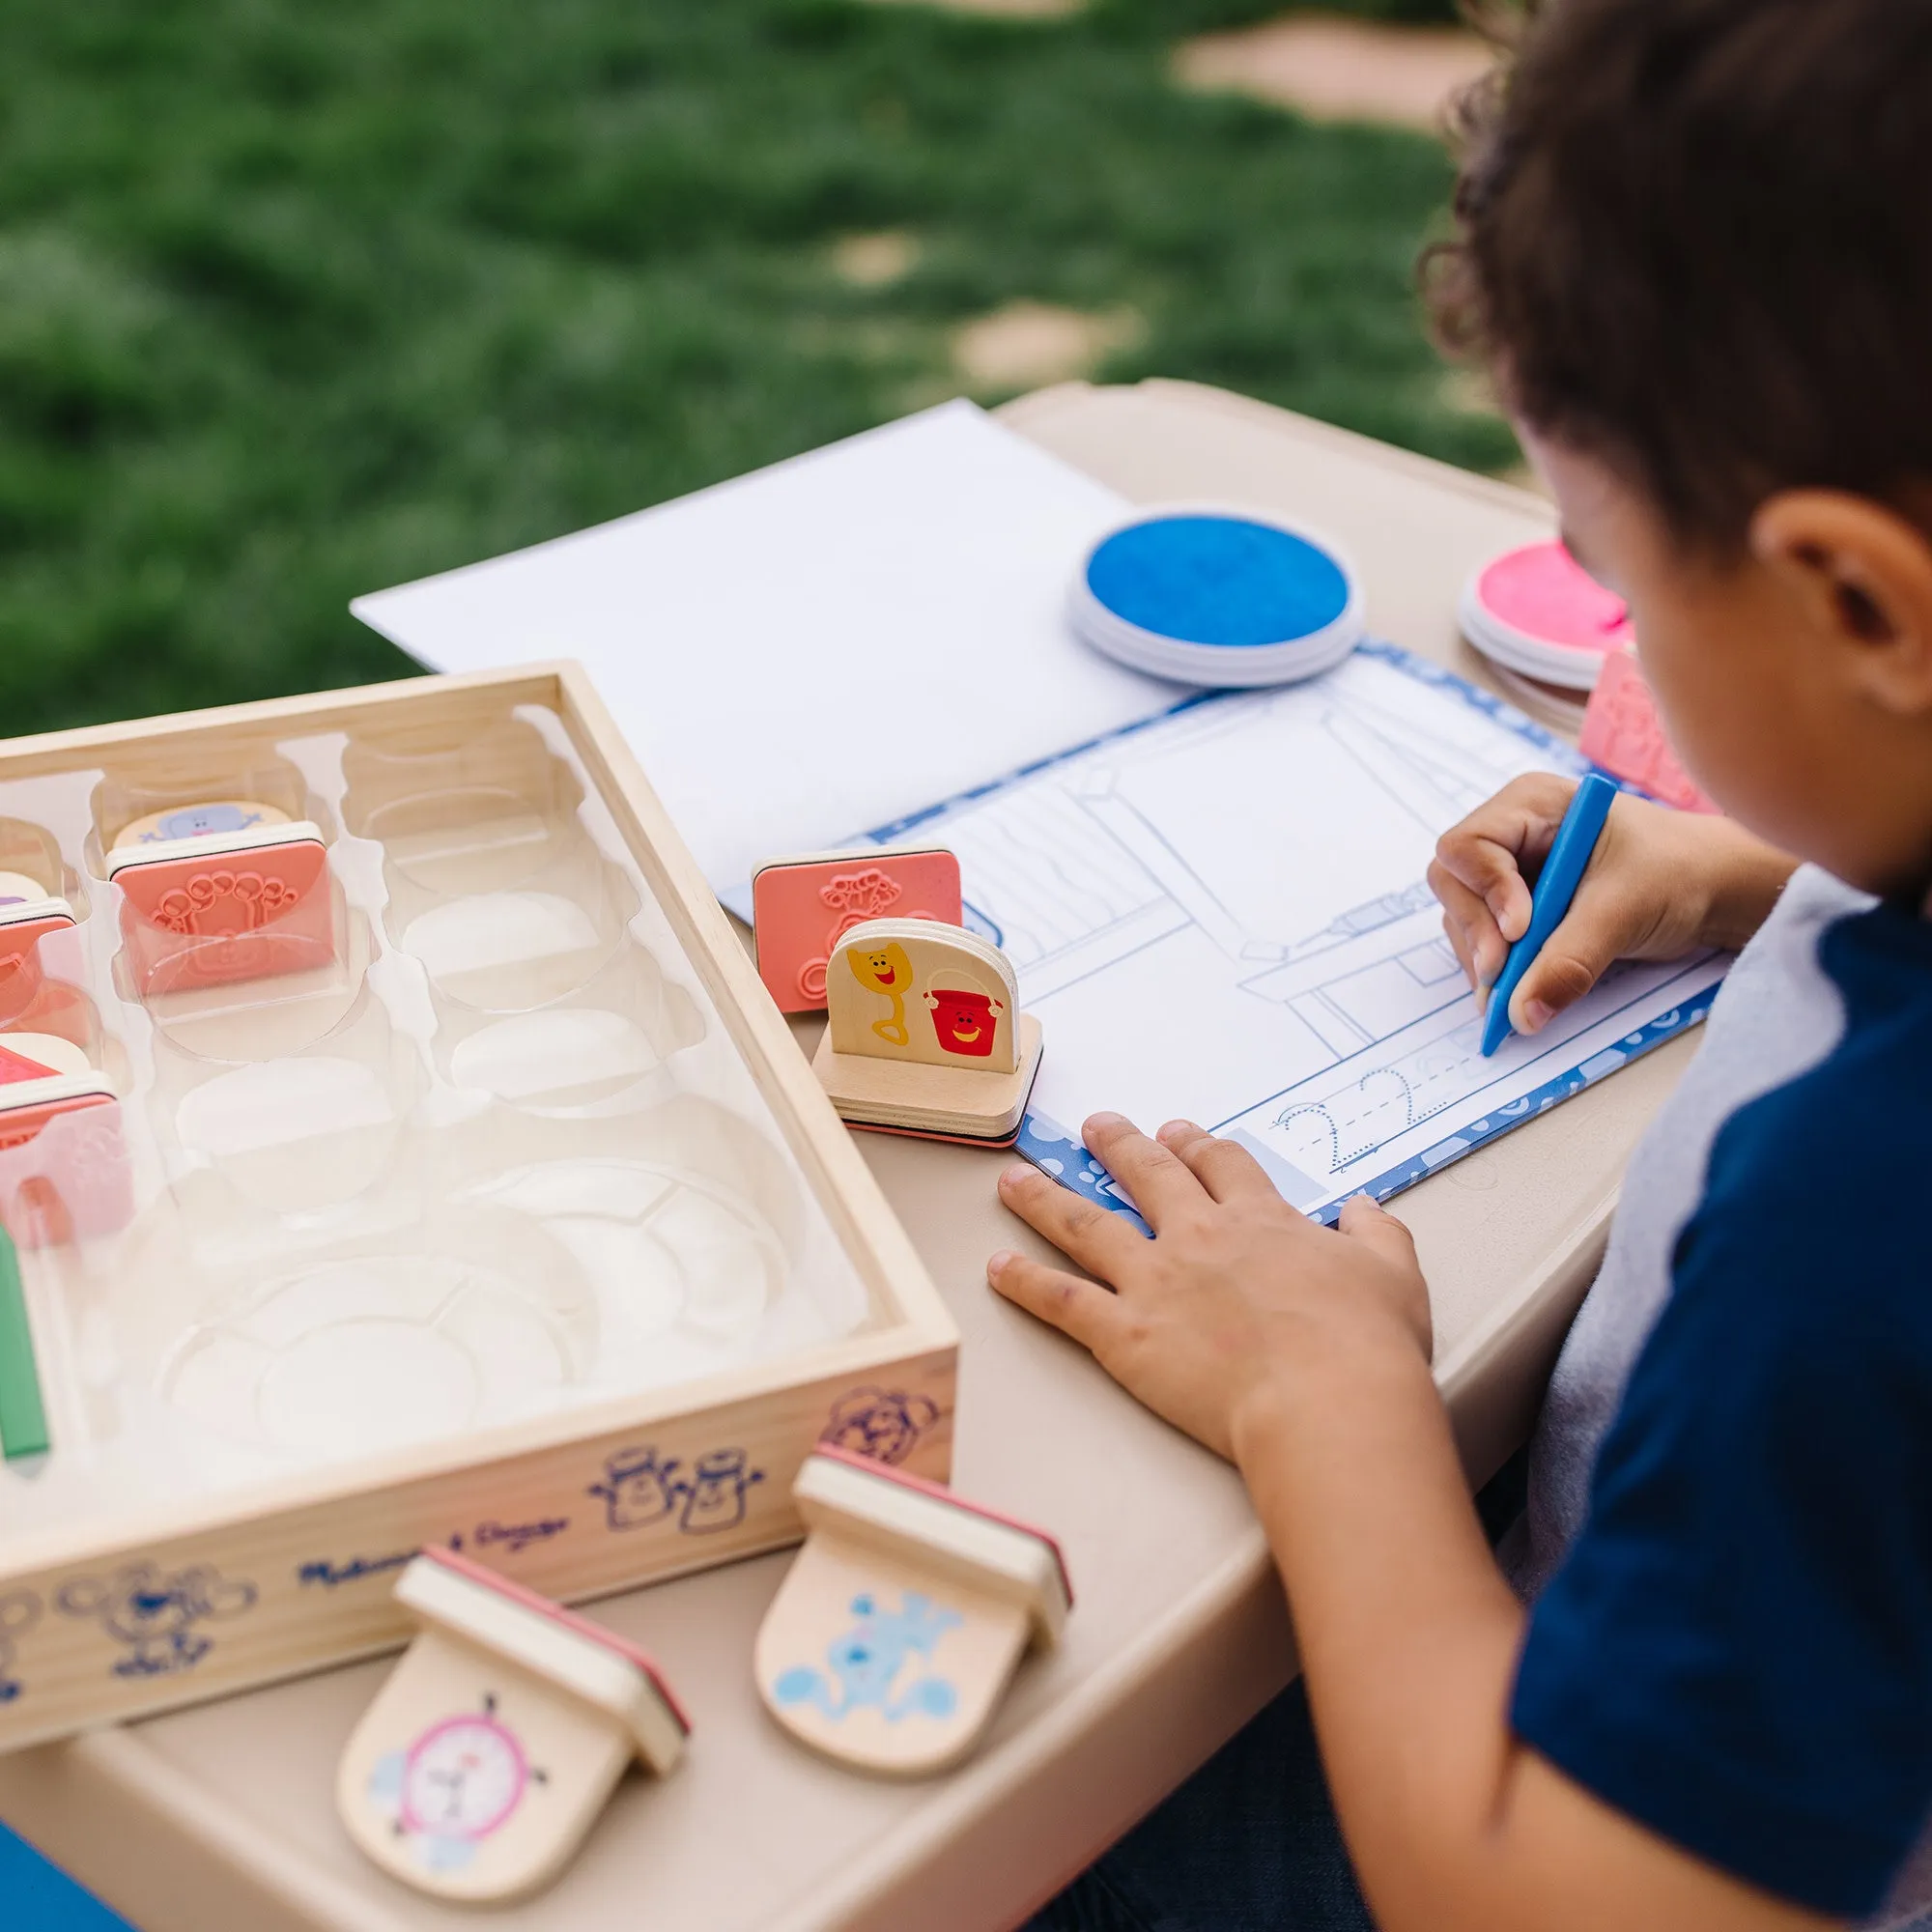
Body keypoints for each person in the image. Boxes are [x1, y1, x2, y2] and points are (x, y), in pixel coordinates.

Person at [996, 1, 1932, 1926]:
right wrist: (1765, 874)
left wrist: (1328, 1397)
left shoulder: (1864, 1218)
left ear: (1858, 601)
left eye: (1614, 571)